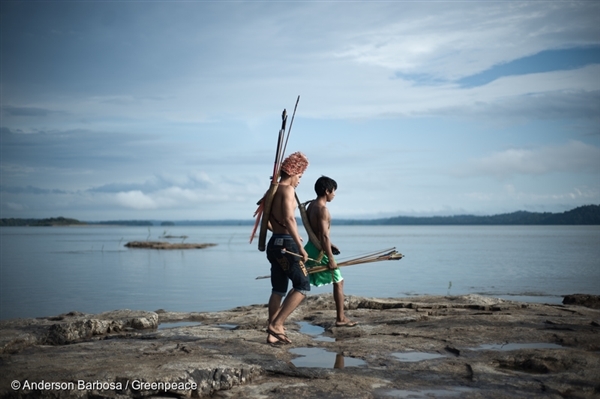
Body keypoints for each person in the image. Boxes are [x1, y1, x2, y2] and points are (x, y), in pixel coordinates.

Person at [265, 151, 310, 345]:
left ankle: (273, 333)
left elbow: (264, 221)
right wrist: (299, 245)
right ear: (293, 172)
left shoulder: (272, 190)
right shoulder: (287, 190)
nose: (299, 181)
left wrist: (281, 230)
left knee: (278, 289)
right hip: (286, 245)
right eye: (300, 176)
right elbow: (290, 218)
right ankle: (277, 324)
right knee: (302, 285)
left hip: (274, 244)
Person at [304, 176, 357, 327]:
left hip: (311, 247)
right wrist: (331, 257)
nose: (334, 194)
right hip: (320, 252)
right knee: (339, 281)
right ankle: (340, 319)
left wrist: (330, 244)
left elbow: (317, 234)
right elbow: (324, 235)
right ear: (327, 191)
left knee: (301, 284)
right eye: (333, 191)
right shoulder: (322, 209)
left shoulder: (311, 206)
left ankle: (277, 317)